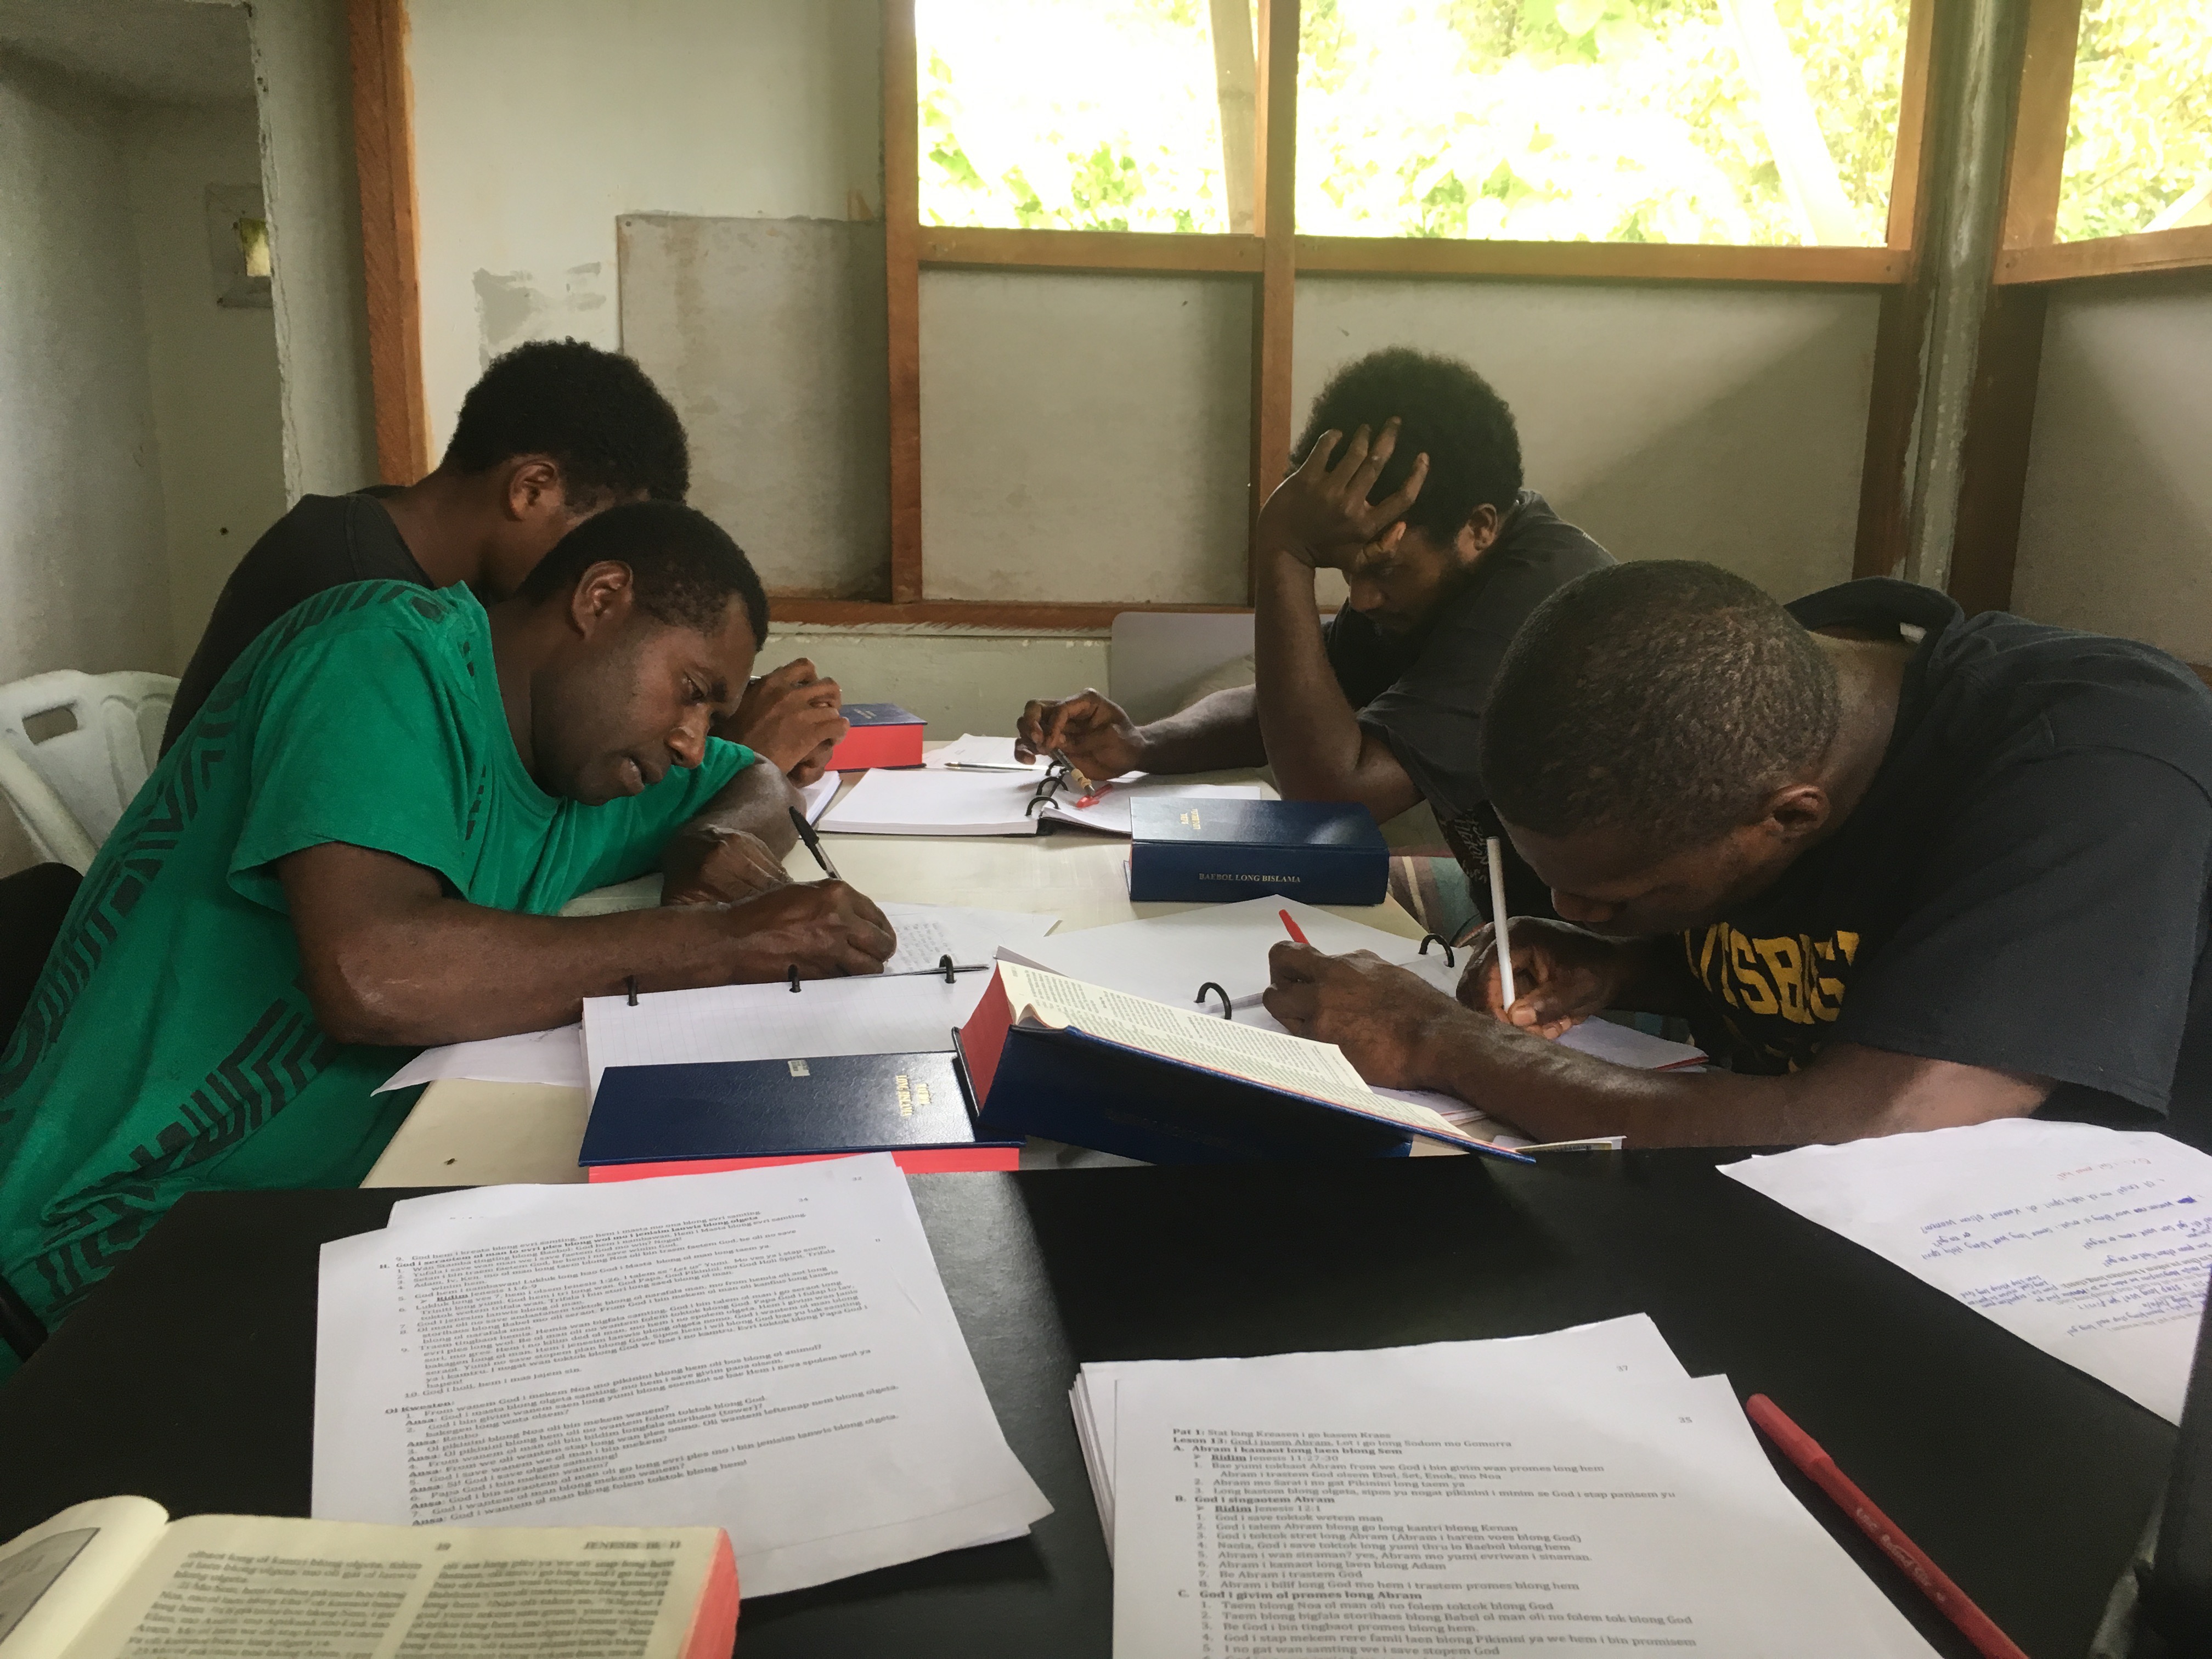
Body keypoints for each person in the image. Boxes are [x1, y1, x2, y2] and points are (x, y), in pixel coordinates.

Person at [0, 501, 895, 1359]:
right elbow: (373, 974)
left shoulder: (584, 764)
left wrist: (716, 838)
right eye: (691, 692)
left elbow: (757, 781)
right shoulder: (376, 653)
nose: (693, 739)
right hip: (102, 1259)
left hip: (318, 1214)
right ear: (600, 599)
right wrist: (722, 941)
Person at [1262, 561, 2212, 1149]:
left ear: (1788, 816)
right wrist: (1625, 961)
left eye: (1622, 896)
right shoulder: (1746, 703)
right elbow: (1852, 959)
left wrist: (1443, 1041)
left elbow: (1884, 1124)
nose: (1573, 909)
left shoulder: (2094, 763)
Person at [1013, 348, 1612, 913]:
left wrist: (1284, 549)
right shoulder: (1441, 574)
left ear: (1478, 527)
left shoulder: (1540, 605)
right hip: (1514, 927)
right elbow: (1288, 709)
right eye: (1347, 570)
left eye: (1382, 571)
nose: (1362, 598)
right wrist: (1143, 744)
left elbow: (1334, 794)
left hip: (1599, 962)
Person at [162, 338, 848, 783]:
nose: (604, 588)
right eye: (600, 547)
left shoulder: (410, 547)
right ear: (532, 489)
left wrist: (714, 711)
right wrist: (741, 761)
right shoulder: (355, 598)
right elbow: (493, 784)